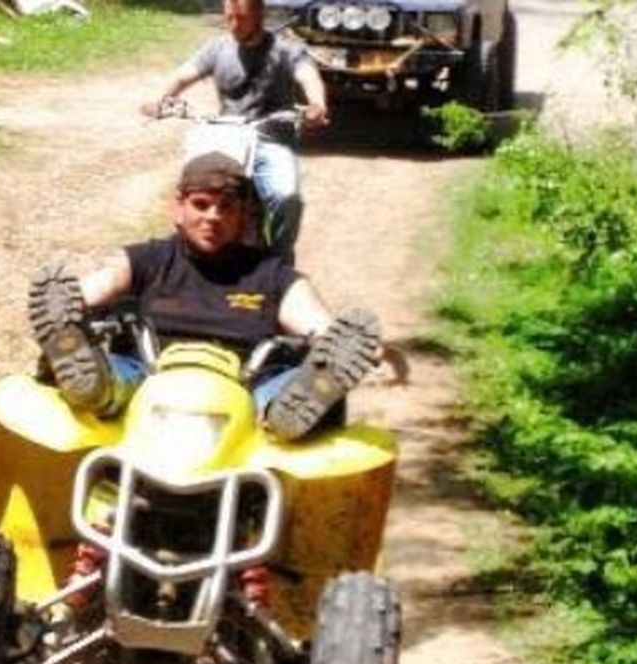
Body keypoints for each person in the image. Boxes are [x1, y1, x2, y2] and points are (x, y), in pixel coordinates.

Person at [26, 151, 379, 443]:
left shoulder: (271, 275)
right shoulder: (148, 259)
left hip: (244, 387)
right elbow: (102, 284)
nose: (213, 217)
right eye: (201, 204)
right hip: (148, 377)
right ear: (178, 208)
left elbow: (312, 318)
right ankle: (94, 385)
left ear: (243, 215)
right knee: (114, 374)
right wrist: (68, 310)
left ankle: (290, 409)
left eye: (226, 207)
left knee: (285, 388)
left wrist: (337, 341)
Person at [150, 0, 328, 259]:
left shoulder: (286, 49)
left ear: (259, 14)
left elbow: (308, 75)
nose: (234, 25)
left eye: (241, 18)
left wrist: (317, 104)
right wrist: (158, 99)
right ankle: (186, 256)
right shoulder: (218, 48)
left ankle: (280, 260)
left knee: (287, 196)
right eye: (229, 18)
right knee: (193, 186)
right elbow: (181, 76)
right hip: (228, 136)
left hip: (271, 139)